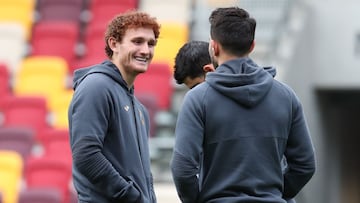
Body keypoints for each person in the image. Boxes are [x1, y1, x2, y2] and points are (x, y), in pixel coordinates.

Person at [170, 7, 316, 203]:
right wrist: (275, 194)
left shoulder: (198, 99)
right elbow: (305, 165)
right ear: (252, 45)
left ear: (214, 47)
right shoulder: (286, 96)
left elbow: (182, 169)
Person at [68, 10, 160, 203]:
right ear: (114, 44)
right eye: (137, 41)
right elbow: (86, 155)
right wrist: (131, 196)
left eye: (151, 44)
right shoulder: (96, 87)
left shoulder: (139, 108)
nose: (146, 50)